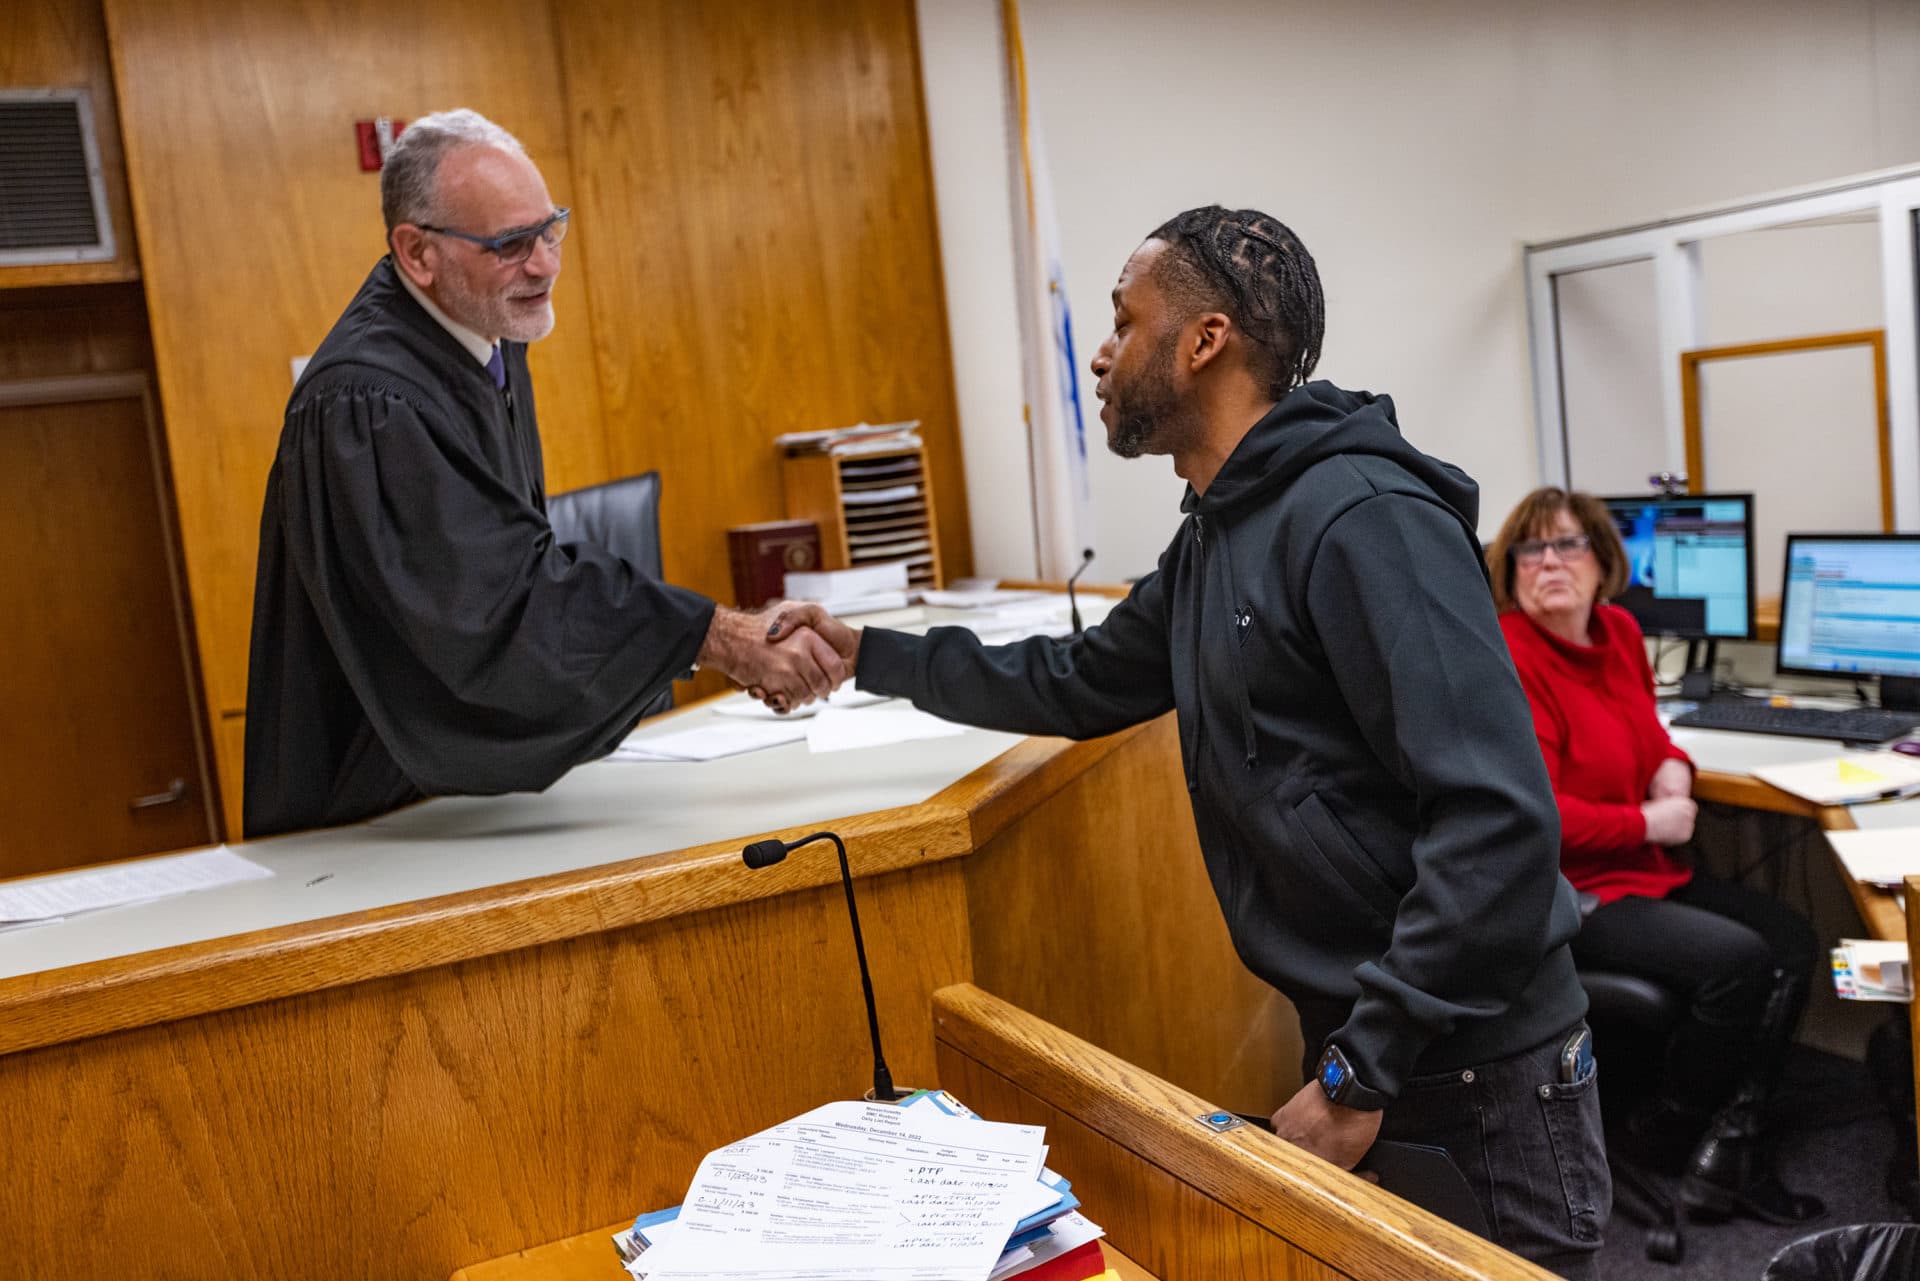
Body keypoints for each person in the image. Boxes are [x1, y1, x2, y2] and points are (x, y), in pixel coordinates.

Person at [773, 207, 1608, 1277]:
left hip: (1474, 1067)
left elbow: (1497, 819)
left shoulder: (1362, 516)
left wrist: (1367, 1070)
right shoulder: (1220, 526)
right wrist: (867, 655)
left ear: (1204, 340)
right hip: (1377, 1041)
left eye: (1124, 321)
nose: (1101, 352)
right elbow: (1078, 680)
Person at [244, 109, 845, 839]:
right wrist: (716, 637)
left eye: (550, 228)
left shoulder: (484, 334)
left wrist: (706, 640)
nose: (545, 263)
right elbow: (497, 611)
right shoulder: (368, 405)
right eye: (509, 244)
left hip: (456, 810)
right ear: (417, 252)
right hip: (377, 823)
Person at [1488, 487, 1824, 1227]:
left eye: (1568, 544)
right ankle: (1669, 1134)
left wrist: (1675, 764)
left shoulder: (1618, 633)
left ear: (1604, 561)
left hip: (1649, 870)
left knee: (1796, 943)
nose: (1550, 562)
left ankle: (1728, 1140)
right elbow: (1538, 817)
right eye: (1531, 549)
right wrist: (1648, 818)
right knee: (1740, 962)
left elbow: (1651, 732)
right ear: (1509, 570)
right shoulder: (1511, 657)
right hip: (1574, 892)